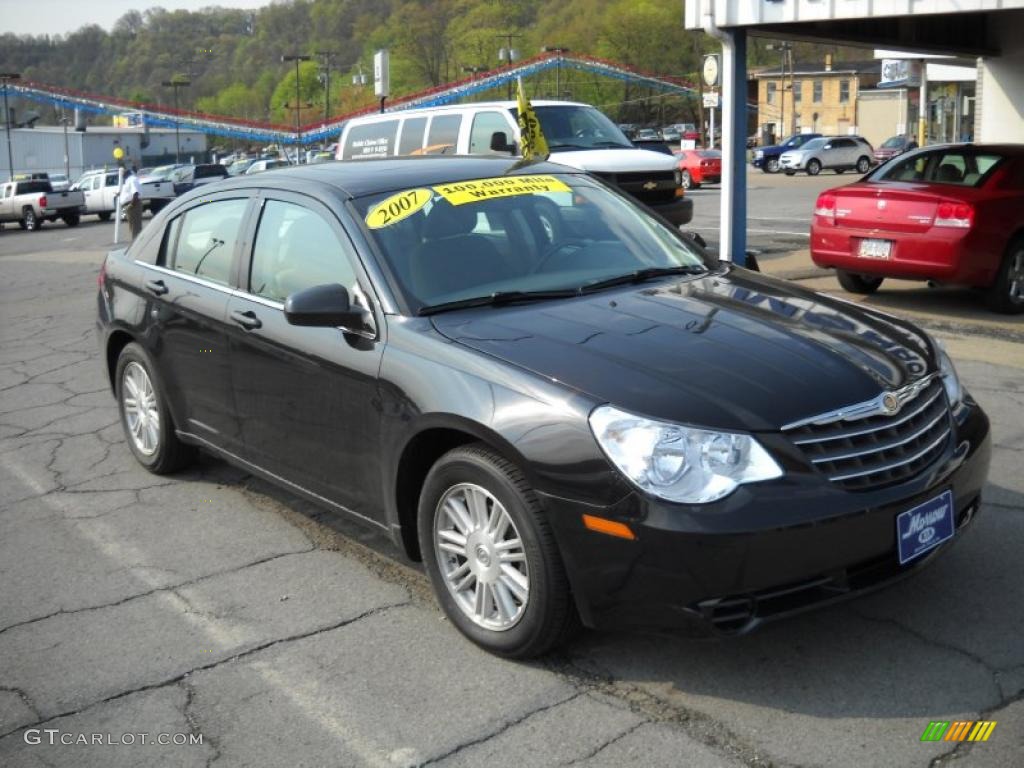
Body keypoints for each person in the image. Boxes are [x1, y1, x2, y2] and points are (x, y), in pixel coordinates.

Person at [123, 166, 143, 240]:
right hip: (131, 205)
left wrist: (131, 205)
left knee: (135, 227)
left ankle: (136, 243)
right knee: (132, 226)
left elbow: (135, 193)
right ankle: (135, 242)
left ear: (126, 174)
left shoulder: (132, 180)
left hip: (134, 205)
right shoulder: (128, 180)